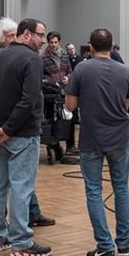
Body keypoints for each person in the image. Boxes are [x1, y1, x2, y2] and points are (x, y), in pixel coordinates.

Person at [0, 18, 52, 256]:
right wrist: (7, 129)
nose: (43, 40)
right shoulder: (32, 59)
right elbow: (28, 100)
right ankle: (21, 243)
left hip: (0, 135)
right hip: (21, 134)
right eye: (41, 35)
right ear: (27, 34)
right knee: (21, 187)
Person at [66, 28, 129, 256]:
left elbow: (71, 105)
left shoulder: (82, 69)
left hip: (92, 138)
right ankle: (124, 243)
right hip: (119, 138)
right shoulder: (124, 71)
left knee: (94, 191)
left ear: (91, 47)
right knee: (122, 189)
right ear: (112, 46)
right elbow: (126, 104)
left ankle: (105, 247)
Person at [41, 31, 75, 164]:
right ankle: (53, 144)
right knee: (51, 118)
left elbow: (70, 71)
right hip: (50, 93)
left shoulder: (65, 56)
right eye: (51, 42)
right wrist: (49, 82)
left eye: (56, 42)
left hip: (64, 91)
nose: (54, 45)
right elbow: (41, 75)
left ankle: (70, 145)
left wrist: (68, 78)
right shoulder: (43, 57)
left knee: (68, 118)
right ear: (48, 43)